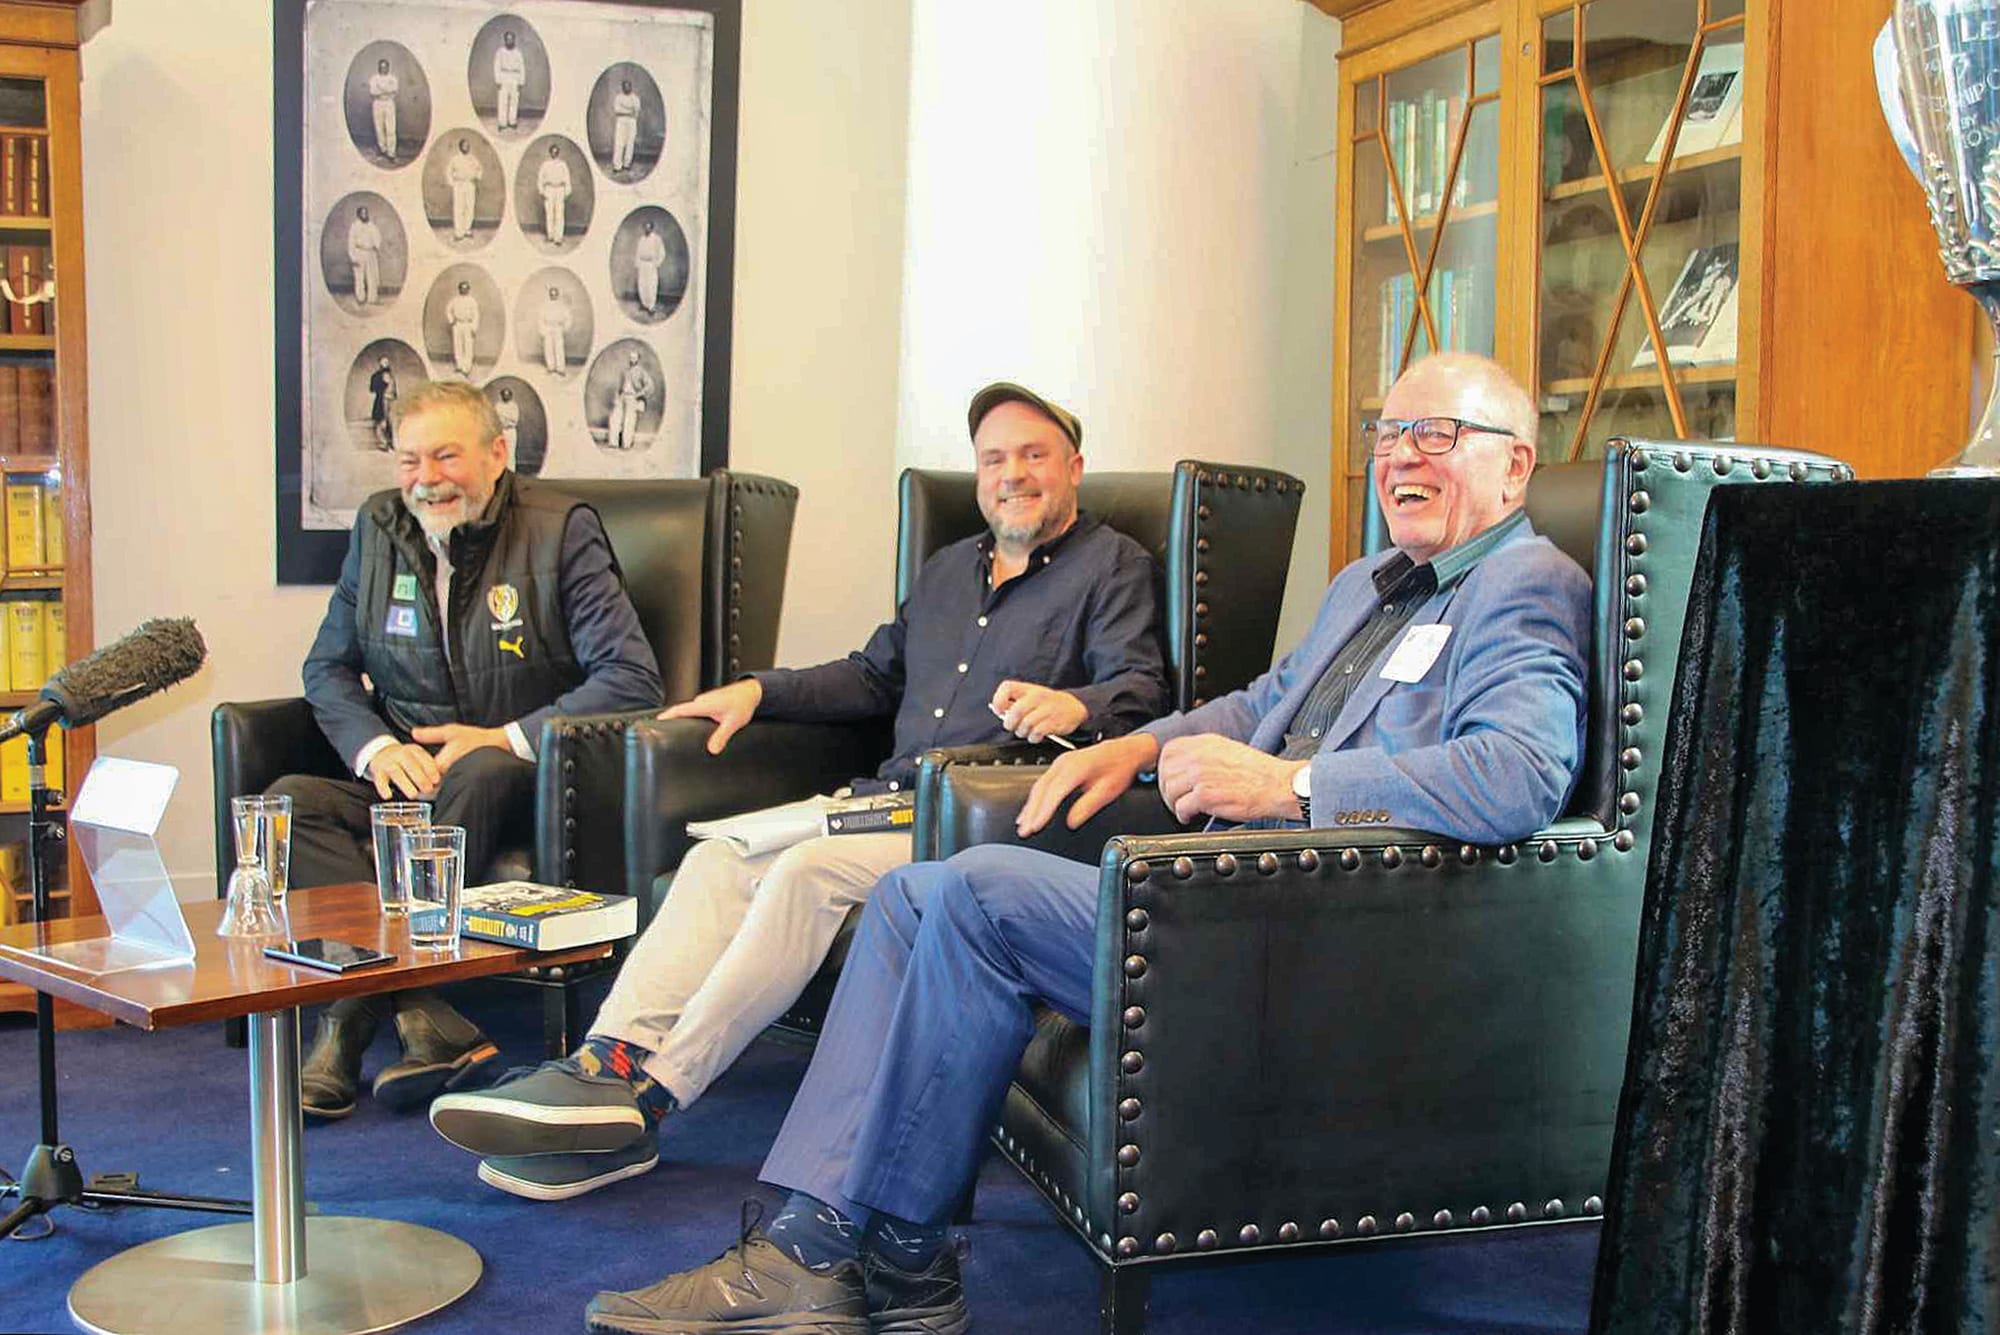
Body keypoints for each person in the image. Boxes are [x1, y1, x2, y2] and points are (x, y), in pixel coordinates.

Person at [568, 353, 1593, 1333]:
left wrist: (1294, 784)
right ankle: (862, 1257)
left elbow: (1518, 776)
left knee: (969, 894)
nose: (1402, 454)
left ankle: (836, 1260)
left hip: (1322, 929)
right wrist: (1134, 752)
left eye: (1437, 433)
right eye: (1388, 432)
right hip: (1229, 900)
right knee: (912, 894)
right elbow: (1259, 704)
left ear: (1513, 463)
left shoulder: (1522, 583)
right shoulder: (1365, 581)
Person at [426, 381, 1170, 1204]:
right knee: (719, 856)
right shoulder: (949, 569)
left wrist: (1076, 706)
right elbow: (869, 674)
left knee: (805, 871)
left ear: (1074, 466)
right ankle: (609, 1059)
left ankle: (651, 1097)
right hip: (885, 802)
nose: (1013, 474)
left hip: (984, 817)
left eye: (1034, 455)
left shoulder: (1114, 565)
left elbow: (1141, 689)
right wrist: (757, 690)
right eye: (995, 458)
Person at [270, 379, 663, 1123]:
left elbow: (633, 677)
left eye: (446, 455)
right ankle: (422, 1012)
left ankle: (348, 1021)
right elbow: (325, 668)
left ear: (497, 453)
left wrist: (504, 736)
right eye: (410, 459)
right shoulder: (379, 526)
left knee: (479, 771)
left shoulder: (559, 528)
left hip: (524, 772)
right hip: (409, 774)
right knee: (293, 801)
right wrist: (375, 746)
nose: (426, 478)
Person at [610, 350, 651, 451]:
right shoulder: (625, 370)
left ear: (637, 359)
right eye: (630, 357)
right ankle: (613, 442)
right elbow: (619, 385)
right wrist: (617, 397)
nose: (632, 359)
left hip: (633, 397)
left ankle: (626, 444)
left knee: (629, 420)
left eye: (634, 358)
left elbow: (649, 386)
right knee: (615, 418)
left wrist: (639, 394)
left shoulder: (641, 371)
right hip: (623, 395)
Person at [446, 138, 482, 241]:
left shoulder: (472, 158)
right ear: (460, 146)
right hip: (459, 184)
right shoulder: (455, 159)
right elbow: (449, 171)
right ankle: (458, 232)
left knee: (469, 207)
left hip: (470, 184)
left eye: (467, 146)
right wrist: (452, 183)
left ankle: (467, 230)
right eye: (464, 145)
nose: (466, 147)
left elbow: (479, 169)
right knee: (459, 207)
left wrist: (476, 177)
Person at [347, 204, 381, 306]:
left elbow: (377, 237)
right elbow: (351, 242)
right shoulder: (354, 226)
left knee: (372, 276)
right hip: (359, 253)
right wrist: (353, 257)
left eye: (366, 213)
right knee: (359, 276)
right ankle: (360, 297)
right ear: (358, 215)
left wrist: (376, 245)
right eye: (362, 213)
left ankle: (372, 298)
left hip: (370, 253)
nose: (364, 215)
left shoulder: (371, 225)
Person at [537, 142, 571, 244]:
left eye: (556, 152)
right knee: (549, 213)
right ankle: (550, 235)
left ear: (558, 153)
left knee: (559, 213)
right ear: (550, 153)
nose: (554, 154)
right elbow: (540, 178)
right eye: (553, 152)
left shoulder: (563, 164)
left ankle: (558, 237)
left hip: (560, 189)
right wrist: (542, 191)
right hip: (549, 189)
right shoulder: (545, 164)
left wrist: (567, 191)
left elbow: (567, 178)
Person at [447, 280, 479, 377]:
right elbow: (448, 309)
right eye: (462, 288)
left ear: (468, 289)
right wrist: (452, 320)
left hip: (467, 324)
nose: (463, 290)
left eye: (465, 288)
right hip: (457, 324)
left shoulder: (472, 301)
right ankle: (459, 366)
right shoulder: (454, 300)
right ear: (459, 289)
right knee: (458, 345)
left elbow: (476, 315)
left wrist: (474, 328)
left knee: (468, 346)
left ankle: (466, 368)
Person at [494, 30, 525, 130]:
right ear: (505, 40)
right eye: (508, 39)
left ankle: (512, 121)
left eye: (511, 39)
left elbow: (522, 67)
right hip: (504, 76)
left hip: (515, 77)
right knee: (503, 100)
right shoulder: (500, 52)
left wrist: (521, 81)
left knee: (514, 100)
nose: (509, 41)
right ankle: (502, 123)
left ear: (514, 40)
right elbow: (496, 66)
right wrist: (497, 80)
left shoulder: (518, 53)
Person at [633, 219, 666, 315]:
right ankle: (644, 305)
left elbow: (662, 253)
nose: (647, 229)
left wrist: (656, 263)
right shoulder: (641, 239)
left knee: (651, 285)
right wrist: (638, 263)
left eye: (649, 227)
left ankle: (651, 307)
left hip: (651, 265)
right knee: (642, 285)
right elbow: (638, 252)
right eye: (645, 227)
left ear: (652, 228)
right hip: (642, 265)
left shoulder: (656, 239)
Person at [369, 57, 399, 160]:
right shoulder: (374, 78)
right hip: (377, 104)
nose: (383, 69)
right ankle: (383, 149)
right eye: (381, 67)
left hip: (389, 103)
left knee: (391, 128)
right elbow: (373, 92)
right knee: (379, 128)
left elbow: (394, 91)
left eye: (385, 67)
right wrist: (386, 91)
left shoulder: (393, 78)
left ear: (388, 68)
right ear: (378, 68)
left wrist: (381, 90)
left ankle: (391, 153)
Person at [538, 286, 571, 376]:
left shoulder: (562, 306)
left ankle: (560, 369)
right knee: (548, 347)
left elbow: (568, 318)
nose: (553, 296)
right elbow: (540, 318)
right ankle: (551, 367)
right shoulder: (544, 305)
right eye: (551, 294)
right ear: (549, 295)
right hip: (548, 327)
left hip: (558, 327)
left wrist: (564, 328)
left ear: (557, 294)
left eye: (555, 294)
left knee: (559, 347)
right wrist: (543, 330)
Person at [611, 78, 641, 173]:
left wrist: (624, 110)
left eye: (628, 86)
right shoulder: (618, 97)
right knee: (619, 142)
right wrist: (629, 111)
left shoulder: (635, 98)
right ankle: (617, 166)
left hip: (632, 122)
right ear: (622, 87)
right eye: (624, 86)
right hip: (621, 122)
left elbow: (636, 112)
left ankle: (627, 164)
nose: (626, 88)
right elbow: (617, 111)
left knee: (630, 143)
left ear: (631, 87)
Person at [368, 357, 396, 449]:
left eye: (387, 362)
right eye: (384, 362)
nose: (386, 364)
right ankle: (383, 443)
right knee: (381, 422)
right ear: (380, 364)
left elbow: (394, 390)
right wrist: (383, 384)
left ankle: (390, 443)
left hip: (391, 400)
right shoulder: (377, 376)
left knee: (390, 422)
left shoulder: (391, 375)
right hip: (382, 400)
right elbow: (372, 389)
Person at [495, 385, 520, 463]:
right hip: (501, 431)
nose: (505, 397)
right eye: (504, 395)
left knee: (511, 453)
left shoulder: (514, 406)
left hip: (511, 431)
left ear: (510, 396)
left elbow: (514, 420)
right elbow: (496, 419)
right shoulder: (498, 405)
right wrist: (506, 419)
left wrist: (504, 419)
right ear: (501, 395)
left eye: (507, 395)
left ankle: (511, 472)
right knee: (501, 452)